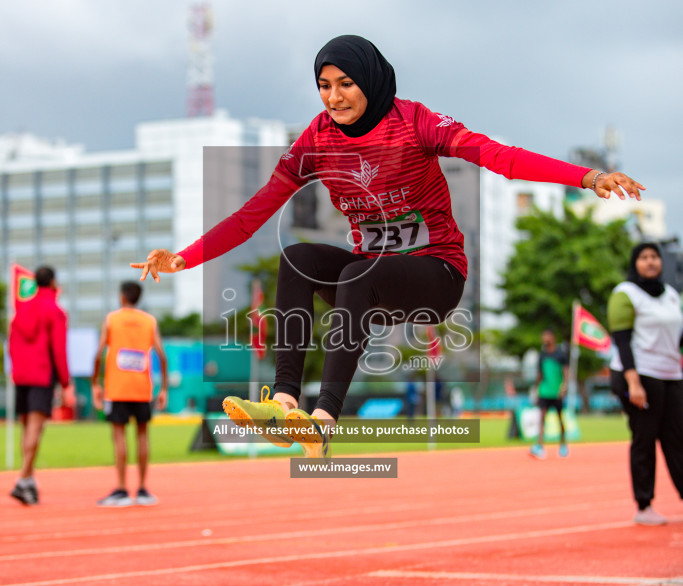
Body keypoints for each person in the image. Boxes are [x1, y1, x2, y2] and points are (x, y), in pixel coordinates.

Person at [132, 34, 645, 458]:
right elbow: (253, 215)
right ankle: (286, 403)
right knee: (301, 258)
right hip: (371, 281)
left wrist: (587, 176)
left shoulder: (415, 122)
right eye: (323, 87)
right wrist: (184, 256)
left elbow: (499, 157)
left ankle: (323, 419)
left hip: (435, 277)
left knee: (360, 271)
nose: (333, 98)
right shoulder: (316, 140)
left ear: (371, 82)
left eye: (346, 85)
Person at [608, 242, 683, 525]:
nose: (650, 262)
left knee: (678, 438)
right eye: (644, 257)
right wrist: (633, 382)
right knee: (645, 438)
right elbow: (622, 340)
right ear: (634, 263)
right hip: (639, 375)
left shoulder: (672, 296)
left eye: (655, 257)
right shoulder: (625, 293)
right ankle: (644, 505)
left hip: (671, 374)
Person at [91, 281, 168, 507]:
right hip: (142, 387)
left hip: (117, 387)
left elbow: (98, 353)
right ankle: (143, 489)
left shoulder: (112, 319)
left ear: (122, 297)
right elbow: (162, 356)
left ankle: (122, 489)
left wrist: (95, 383)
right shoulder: (149, 321)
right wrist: (163, 388)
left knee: (119, 437)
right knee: (143, 436)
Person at [8, 266, 75, 505]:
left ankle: (28, 482)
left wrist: (15, 369)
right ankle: (22, 478)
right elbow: (59, 349)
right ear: (53, 282)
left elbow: (12, 343)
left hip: (21, 375)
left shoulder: (21, 308)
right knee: (36, 429)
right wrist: (66, 382)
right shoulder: (55, 311)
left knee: (26, 428)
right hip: (41, 374)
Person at [530, 329, 570, 459]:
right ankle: (539, 446)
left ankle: (563, 445)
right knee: (542, 418)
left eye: (547, 336)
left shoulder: (561, 355)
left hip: (557, 392)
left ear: (553, 338)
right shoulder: (542, 355)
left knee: (560, 418)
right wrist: (535, 389)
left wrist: (564, 386)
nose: (545, 338)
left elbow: (566, 372)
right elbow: (539, 374)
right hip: (544, 391)